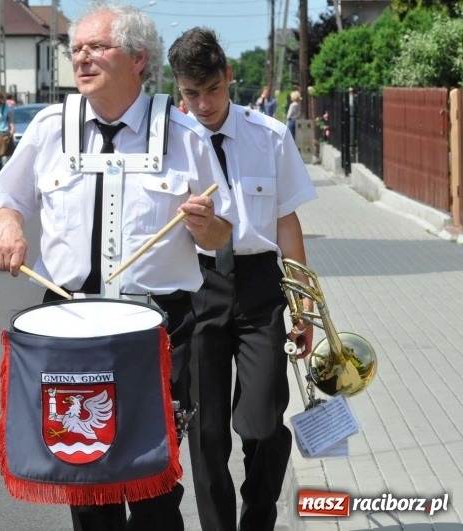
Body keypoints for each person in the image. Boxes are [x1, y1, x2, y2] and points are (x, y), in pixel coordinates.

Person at [0, 3, 234, 530]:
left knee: (152, 484)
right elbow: (7, 199)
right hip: (69, 323)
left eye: (98, 47)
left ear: (139, 58)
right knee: (84, 477)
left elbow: (221, 236)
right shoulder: (49, 127)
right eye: (77, 48)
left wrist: (204, 224)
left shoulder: (184, 133)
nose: (82, 58)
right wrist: (8, 228)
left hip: (157, 328)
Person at [168, 27, 318, 531]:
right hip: (196, 285)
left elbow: (287, 223)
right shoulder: (170, 143)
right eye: (191, 93)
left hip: (259, 288)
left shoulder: (269, 135)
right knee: (207, 432)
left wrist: (304, 306)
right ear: (178, 88)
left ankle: (258, 518)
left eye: (212, 89)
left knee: (262, 422)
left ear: (229, 76)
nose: (204, 104)